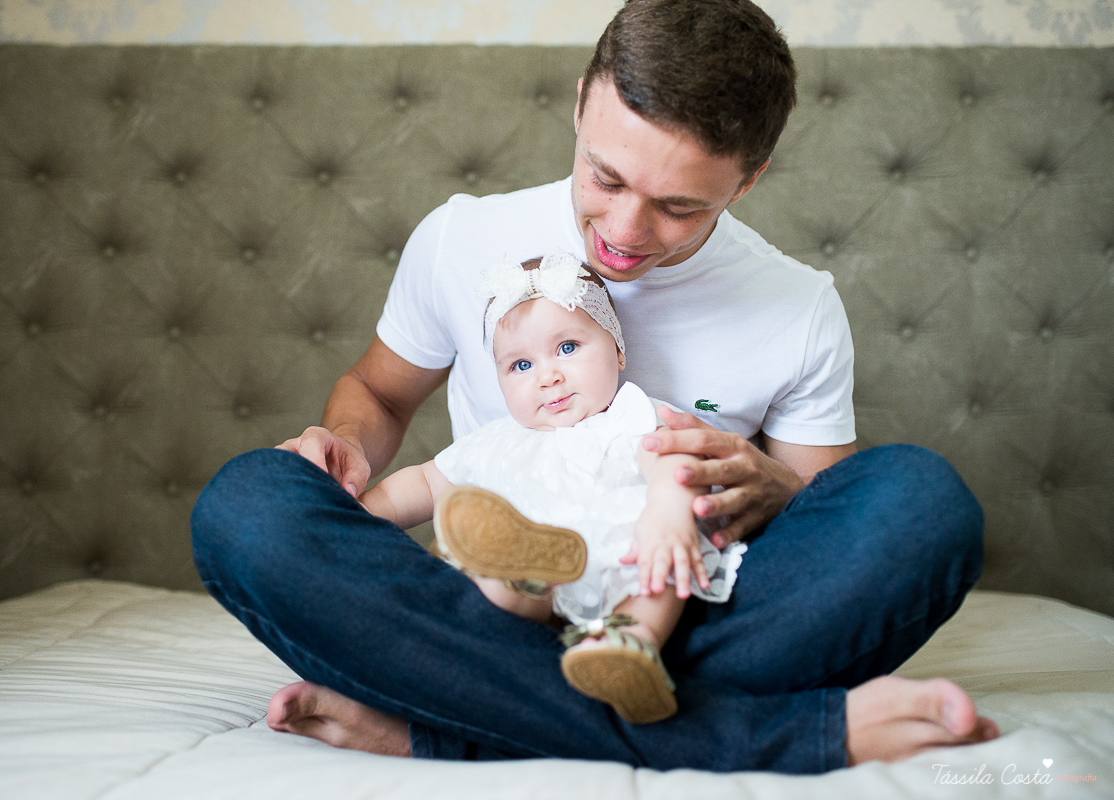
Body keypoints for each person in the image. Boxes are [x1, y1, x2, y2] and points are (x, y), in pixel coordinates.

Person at [191, 0, 999, 772]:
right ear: (581, 106)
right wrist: (343, 451)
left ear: (748, 179)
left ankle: (448, 724)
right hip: (490, 607)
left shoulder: (798, 306)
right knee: (248, 506)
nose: (622, 233)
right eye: (605, 178)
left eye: (678, 207)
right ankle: (768, 736)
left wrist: (778, 487)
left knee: (923, 502)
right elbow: (379, 393)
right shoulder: (462, 237)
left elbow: (830, 523)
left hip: (674, 612)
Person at [359, 251, 750, 725]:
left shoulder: (629, 414)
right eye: (520, 365)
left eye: (567, 347)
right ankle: (525, 573)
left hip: (618, 556)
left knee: (661, 557)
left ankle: (631, 648)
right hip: (536, 589)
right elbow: (423, 482)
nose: (548, 376)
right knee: (492, 579)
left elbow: (670, 457)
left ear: (618, 349)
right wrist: (354, 514)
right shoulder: (498, 440)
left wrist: (666, 509)